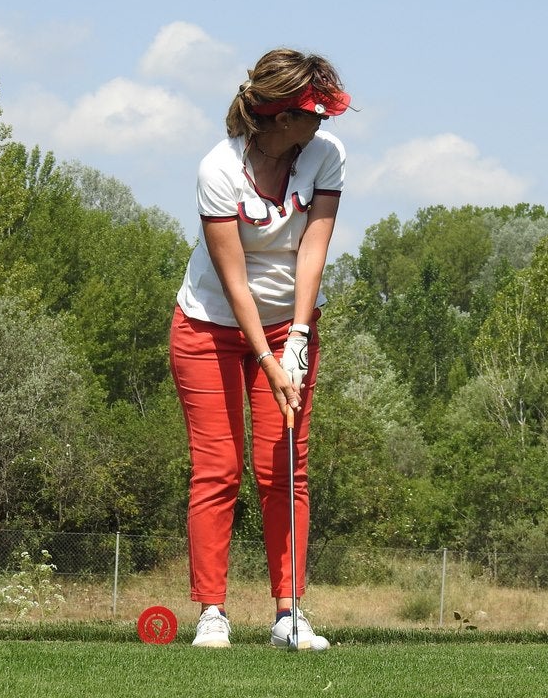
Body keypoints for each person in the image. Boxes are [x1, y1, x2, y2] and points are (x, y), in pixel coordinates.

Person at [169, 48, 350, 648]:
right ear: (278, 119)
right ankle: (212, 614)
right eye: (311, 114)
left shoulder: (326, 156)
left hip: (287, 325)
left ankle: (288, 616)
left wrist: (296, 337)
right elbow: (234, 280)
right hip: (209, 327)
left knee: (285, 469)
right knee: (218, 469)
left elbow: (313, 252)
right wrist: (268, 361)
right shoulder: (217, 169)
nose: (321, 124)